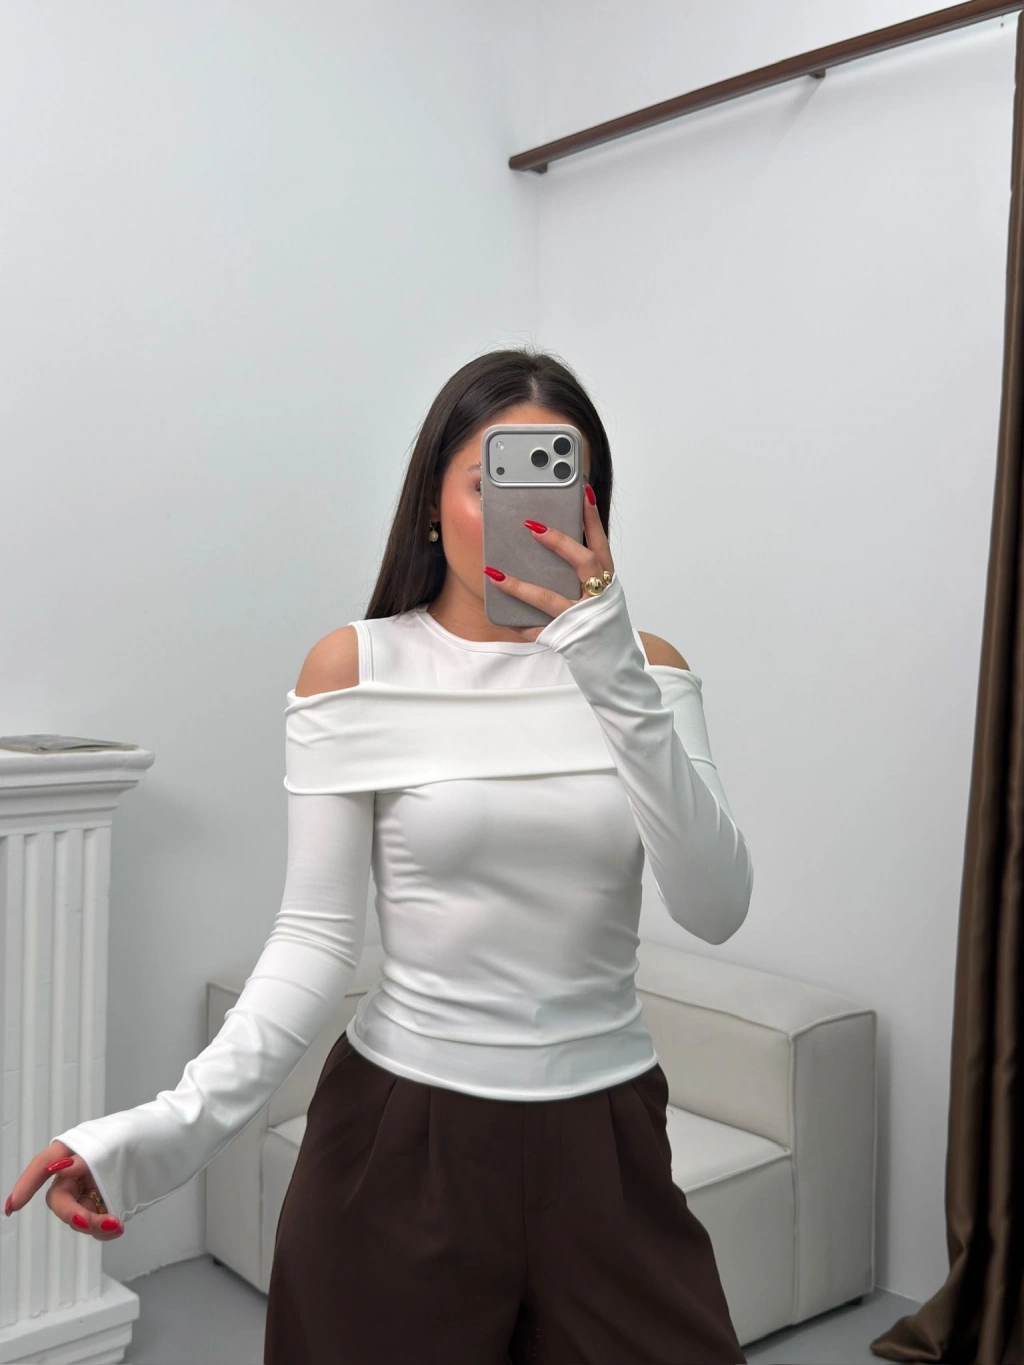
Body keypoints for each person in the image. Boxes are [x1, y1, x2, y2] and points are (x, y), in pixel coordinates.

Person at [4, 347, 752, 1364]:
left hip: (608, 1139)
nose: (525, 514)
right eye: (489, 480)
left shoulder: (647, 672)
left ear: (593, 508)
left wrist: (608, 664)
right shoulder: (354, 668)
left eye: (555, 481)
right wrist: (159, 1135)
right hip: (402, 1141)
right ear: (432, 502)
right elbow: (314, 940)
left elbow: (714, 904)